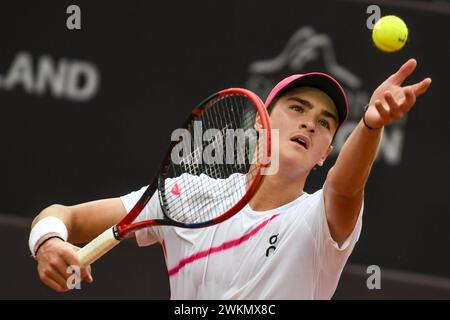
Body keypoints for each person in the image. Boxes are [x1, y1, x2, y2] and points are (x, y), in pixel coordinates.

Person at [29, 59, 431, 299]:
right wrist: (47, 241)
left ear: (326, 152)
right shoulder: (185, 196)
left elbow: (345, 188)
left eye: (324, 123)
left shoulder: (317, 221)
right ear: (259, 124)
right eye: (297, 107)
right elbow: (65, 216)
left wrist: (371, 125)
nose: (310, 122)